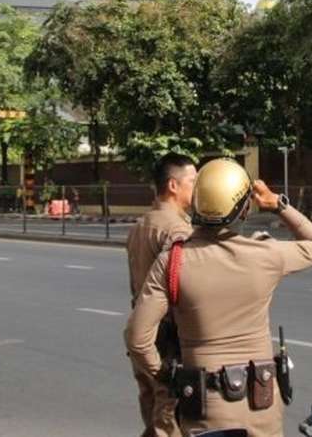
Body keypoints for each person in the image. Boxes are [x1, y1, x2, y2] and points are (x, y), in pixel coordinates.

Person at [125, 159, 312, 437]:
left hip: (204, 406)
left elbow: (137, 338)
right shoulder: (266, 255)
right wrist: (278, 204)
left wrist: (166, 376)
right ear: (244, 209)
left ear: (196, 202)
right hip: (261, 400)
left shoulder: (173, 260)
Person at [125, 155, 196, 437]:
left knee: (152, 413)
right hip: (168, 343)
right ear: (173, 185)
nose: (198, 187)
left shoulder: (142, 224)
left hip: (145, 336)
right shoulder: (177, 230)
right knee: (169, 422)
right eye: (193, 181)